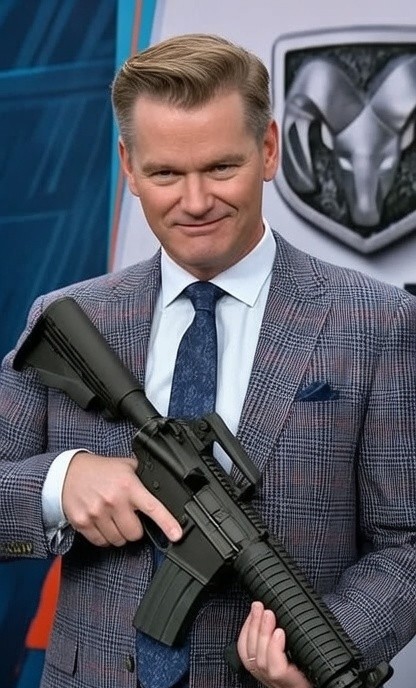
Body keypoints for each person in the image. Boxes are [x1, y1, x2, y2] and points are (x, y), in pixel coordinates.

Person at [0, 32, 415, 688]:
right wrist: (59, 483)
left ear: (269, 150)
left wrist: (325, 648)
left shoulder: (376, 320)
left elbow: (407, 542)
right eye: (165, 173)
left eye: (221, 168)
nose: (195, 203)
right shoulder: (73, 318)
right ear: (128, 166)